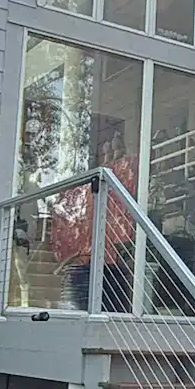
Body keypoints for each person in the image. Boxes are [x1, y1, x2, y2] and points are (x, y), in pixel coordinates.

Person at [50, 130, 138, 311]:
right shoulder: (92, 188)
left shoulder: (124, 173)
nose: (112, 155)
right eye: (108, 152)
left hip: (109, 262)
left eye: (116, 149)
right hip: (98, 260)